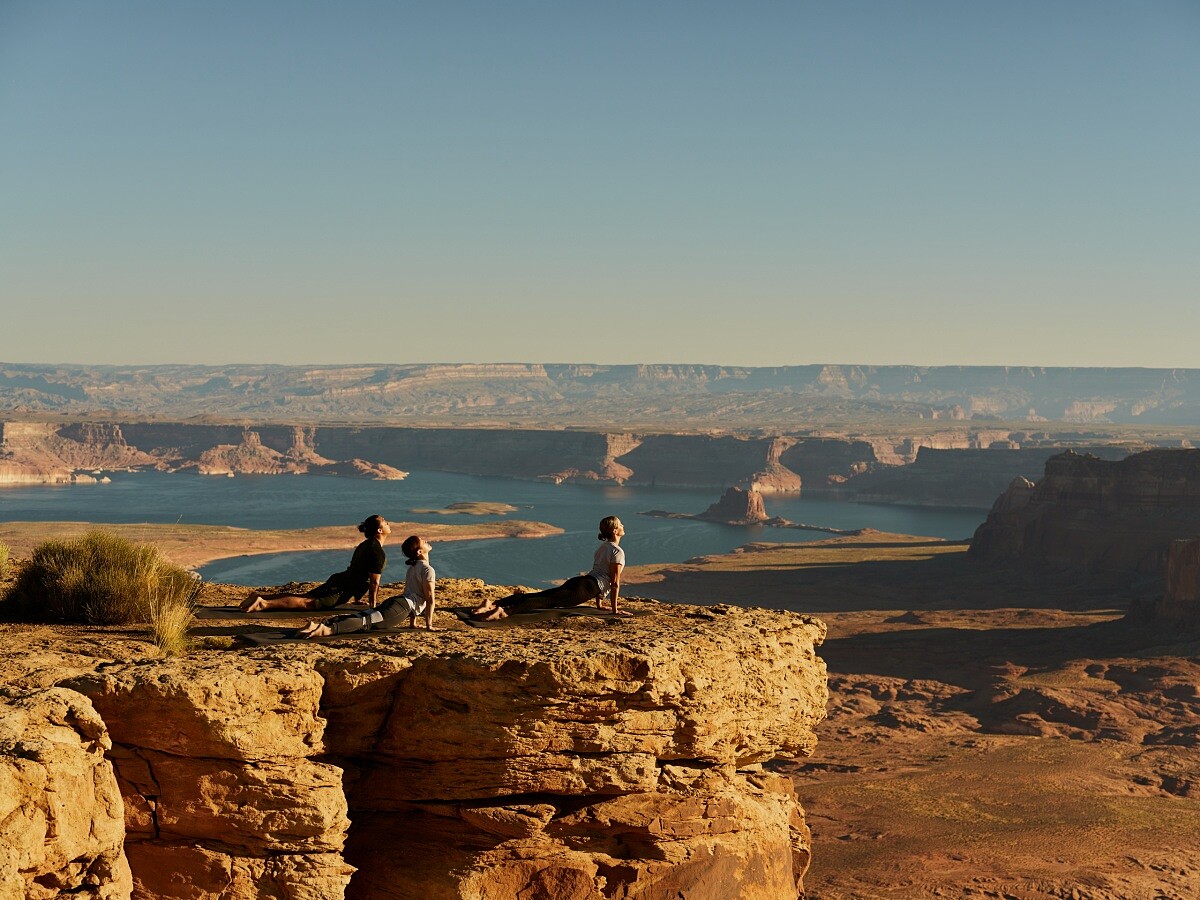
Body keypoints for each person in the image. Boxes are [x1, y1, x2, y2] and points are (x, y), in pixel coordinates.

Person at [471, 516, 628, 620]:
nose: (623, 525)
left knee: (540, 595)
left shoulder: (603, 547)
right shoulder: (617, 551)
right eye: (620, 524)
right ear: (615, 531)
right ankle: (504, 612)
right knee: (546, 601)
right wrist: (614, 611)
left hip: (582, 581)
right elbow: (614, 583)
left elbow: (599, 572)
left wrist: (599, 605)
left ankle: (492, 604)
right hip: (587, 587)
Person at [240, 515, 390, 612]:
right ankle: (263, 604)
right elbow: (373, 582)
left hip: (340, 580)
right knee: (307, 603)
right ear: (379, 530)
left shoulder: (365, 545)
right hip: (341, 588)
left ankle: (261, 596)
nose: (389, 524)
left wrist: (356, 600)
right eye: (385, 522)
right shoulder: (377, 551)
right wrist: (373, 607)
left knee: (304, 596)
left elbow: (358, 570)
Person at [295, 534, 436, 637]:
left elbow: (412, 593)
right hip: (402, 606)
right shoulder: (427, 570)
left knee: (361, 615)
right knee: (365, 621)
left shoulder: (413, 567)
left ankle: (321, 624)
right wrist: (429, 625)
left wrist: (413, 623)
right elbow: (429, 599)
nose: (425, 540)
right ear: (419, 552)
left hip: (397, 602)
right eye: (422, 541)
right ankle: (327, 630)